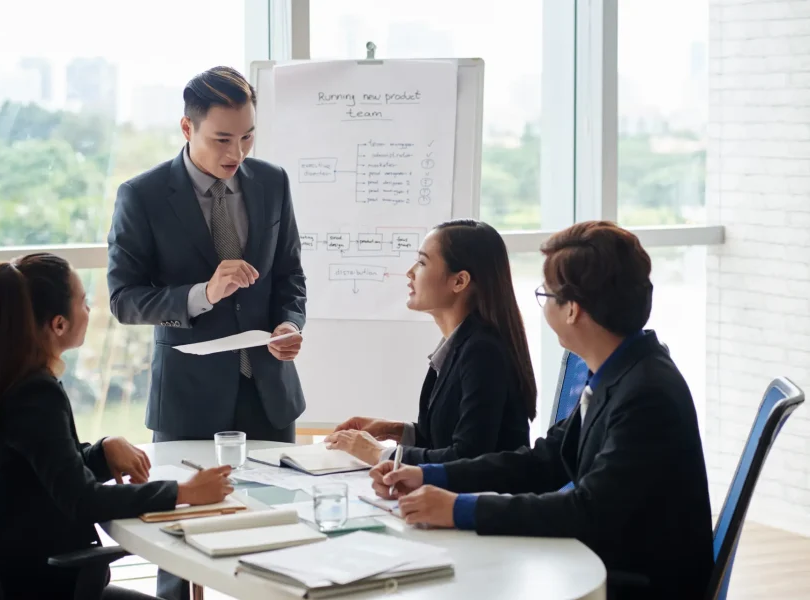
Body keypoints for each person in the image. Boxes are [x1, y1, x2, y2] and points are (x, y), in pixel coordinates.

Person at [369, 221, 714, 600]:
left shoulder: (646, 394)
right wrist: (427, 474)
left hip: (637, 583)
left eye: (546, 295)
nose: (542, 306)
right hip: (611, 562)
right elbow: (546, 461)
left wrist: (460, 509)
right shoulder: (621, 370)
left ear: (572, 311)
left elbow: (588, 512)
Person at [106, 66, 305, 599]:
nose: (236, 152)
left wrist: (290, 323)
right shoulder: (142, 195)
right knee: (179, 545)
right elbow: (123, 299)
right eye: (222, 138)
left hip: (268, 389)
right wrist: (202, 294)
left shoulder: (273, 182)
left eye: (247, 136)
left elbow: (290, 277)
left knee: (278, 534)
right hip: (188, 399)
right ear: (186, 128)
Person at [0, 253, 234, 600]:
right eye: (82, 302)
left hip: (10, 577)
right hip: (41, 585)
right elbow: (82, 500)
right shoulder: (35, 394)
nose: (89, 311)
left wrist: (101, 452)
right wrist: (184, 492)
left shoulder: (5, 382)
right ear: (59, 324)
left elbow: (46, 470)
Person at [324, 220, 536, 466]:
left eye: (422, 262)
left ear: (459, 281)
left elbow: (466, 458)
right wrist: (394, 430)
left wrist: (380, 454)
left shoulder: (483, 351)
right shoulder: (460, 342)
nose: (410, 272)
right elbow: (446, 438)